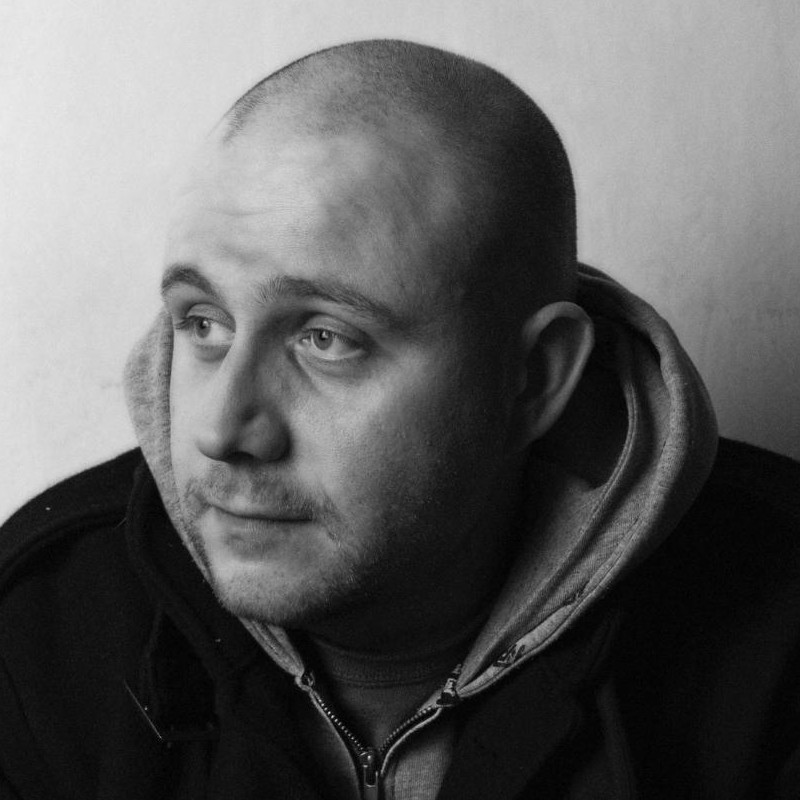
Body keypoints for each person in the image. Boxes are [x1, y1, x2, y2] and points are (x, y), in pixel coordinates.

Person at [0, 39, 798, 800]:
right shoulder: (44, 623)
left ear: (534, 379)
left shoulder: (774, 638)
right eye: (203, 322)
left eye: (325, 339)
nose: (221, 430)